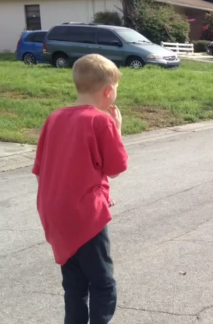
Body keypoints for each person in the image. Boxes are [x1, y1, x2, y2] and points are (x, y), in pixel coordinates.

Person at [32, 54, 128, 324]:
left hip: (54, 213)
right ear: (108, 91)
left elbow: (42, 170)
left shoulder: (54, 118)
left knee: (74, 284)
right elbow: (115, 168)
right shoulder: (101, 121)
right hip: (86, 216)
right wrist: (117, 131)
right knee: (103, 282)